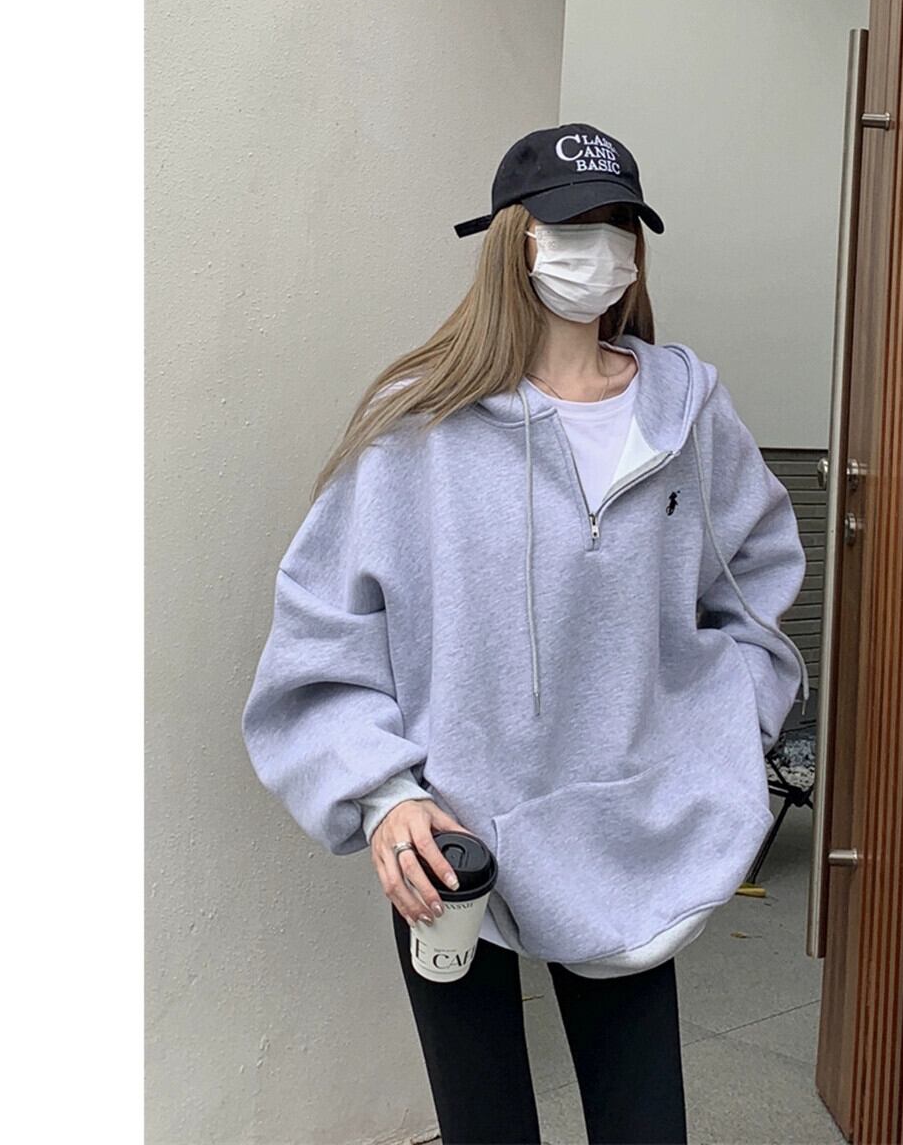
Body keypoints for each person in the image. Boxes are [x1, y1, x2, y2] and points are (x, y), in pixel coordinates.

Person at [241, 122, 810, 1145]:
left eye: (620, 222)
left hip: (631, 828)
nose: (602, 246)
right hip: (454, 842)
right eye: (573, 222)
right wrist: (384, 795)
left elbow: (758, 581)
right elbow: (323, 637)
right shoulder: (419, 425)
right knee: (485, 1128)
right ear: (516, 238)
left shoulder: (686, 415)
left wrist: (723, 733)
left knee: (646, 1127)